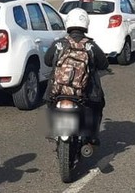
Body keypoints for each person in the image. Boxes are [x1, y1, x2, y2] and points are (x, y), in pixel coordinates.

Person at [46, 8, 109, 145]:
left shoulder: (59, 44)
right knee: (98, 104)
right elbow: (104, 64)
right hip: (85, 91)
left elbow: (47, 60)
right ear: (86, 23)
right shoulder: (90, 45)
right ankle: (92, 135)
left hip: (58, 91)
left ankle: (54, 129)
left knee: (49, 102)